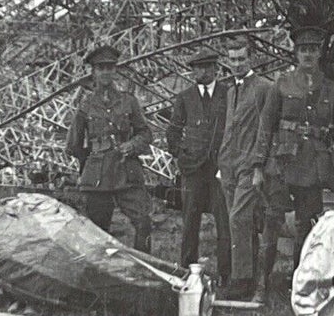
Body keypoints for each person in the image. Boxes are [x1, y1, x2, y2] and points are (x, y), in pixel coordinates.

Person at [256, 25, 334, 285]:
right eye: (303, 50)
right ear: (295, 53)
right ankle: (261, 284)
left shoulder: (331, 87)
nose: (308, 55)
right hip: (282, 162)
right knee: (272, 222)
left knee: (307, 226)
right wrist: (258, 165)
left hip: (313, 165)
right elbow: (266, 125)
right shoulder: (282, 84)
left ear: (320, 52)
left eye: (313, 50)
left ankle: (299, 282)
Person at [65, 43, 154, 253]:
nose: (106, 72)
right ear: (93, 72)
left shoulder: (128, 101)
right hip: (98, 178)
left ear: (116, 71)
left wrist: (133, 145)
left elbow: (146, 133)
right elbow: (73, 145)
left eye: (110, 68)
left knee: (144, 223)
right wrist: (91, 161)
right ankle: (102, 278)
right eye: (101, 68)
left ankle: (143, 270)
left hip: (127, 172)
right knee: (98, 232)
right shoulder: (86, 105)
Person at [215, 31, 274, 304]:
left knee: (239, 218)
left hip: (249, 164)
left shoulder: (263, 88)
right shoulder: (230, 90)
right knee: (238, 222)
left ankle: (241, 281)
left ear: (252, 58)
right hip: (228, 164)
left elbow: (266, 130)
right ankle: (247, 277)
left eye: (242, 58)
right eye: (233, 59)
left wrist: (259, 165)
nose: (237, 63)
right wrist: (221, 162)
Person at [167, 47, 231, 283]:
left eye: (205, 67)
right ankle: (186, 273)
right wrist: (182, 157)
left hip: (219, 169)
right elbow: (173, 131)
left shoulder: (228, 94)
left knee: (224, 223)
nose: (199, 72)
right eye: (195, 68)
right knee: (190, 222)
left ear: (215, 68)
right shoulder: (184, 97)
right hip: (193, 170)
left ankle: (226, 275)